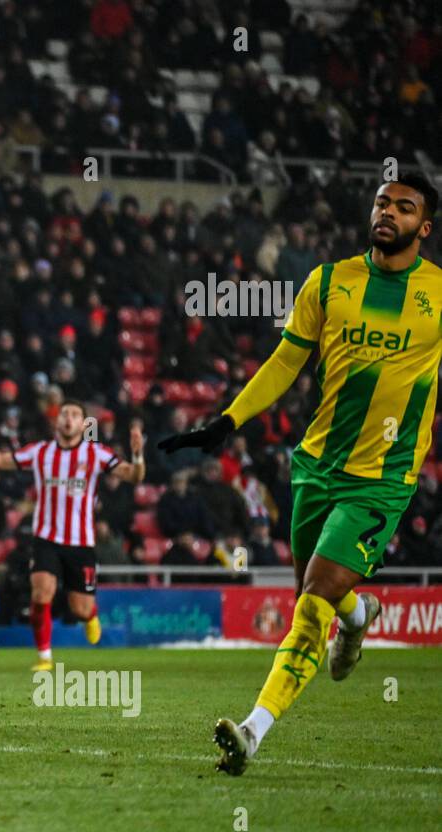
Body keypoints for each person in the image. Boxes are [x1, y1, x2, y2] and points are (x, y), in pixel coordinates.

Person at [158, 175, 442, 776]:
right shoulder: (330, 280)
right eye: (382, 203)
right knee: (316, 598)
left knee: (313, 595)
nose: (387, 212)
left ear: (426, 226)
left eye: (404, 207)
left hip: (381, 480)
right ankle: (359, 616)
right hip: (315, 468)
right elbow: (287, 360)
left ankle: (252, 733)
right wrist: (227, 420)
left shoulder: (439, 294)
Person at [0, 401, 146, 671]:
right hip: (46, 538)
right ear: (57, 421)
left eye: (75, 415)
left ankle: (91, 615)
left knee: (79, 608)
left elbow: (133, 477)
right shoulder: (41, 452)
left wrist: (137, 456)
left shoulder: (95, 453)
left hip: (81, 542)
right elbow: (0, 460)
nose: (68, 418)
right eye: (65, 413)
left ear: (83, 424)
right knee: (42, 591)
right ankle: (44, 657)